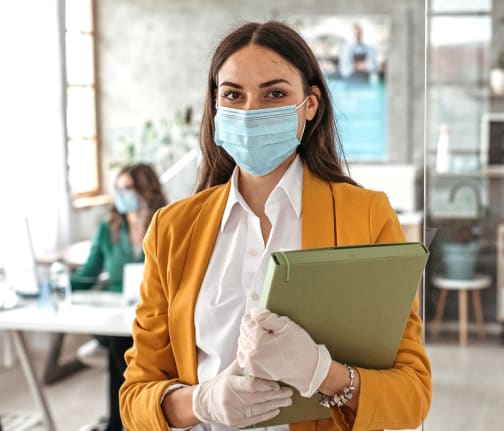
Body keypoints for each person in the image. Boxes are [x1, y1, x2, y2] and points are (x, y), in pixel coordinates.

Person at [119, 21, 431, 431]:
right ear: (216, 106)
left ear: (310, 105)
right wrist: (202, 400)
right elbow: (134, 400)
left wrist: (323, 372)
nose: (251, 111)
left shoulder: (366, 216)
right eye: (233, 94)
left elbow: (412, 397)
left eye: (275, 93)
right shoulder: (172, 229)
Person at [72, 163, 167, 431]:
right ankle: (123, 421)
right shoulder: (108, 229)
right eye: (118, 189)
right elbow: (89, 271)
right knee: (120, 341)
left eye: (127, 188)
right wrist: (60, 284)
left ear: (145, 191)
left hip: (152, 313)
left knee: (134, 341)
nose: (120, 195)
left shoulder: (165, 222)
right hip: (114, 315)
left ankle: (130, 418)